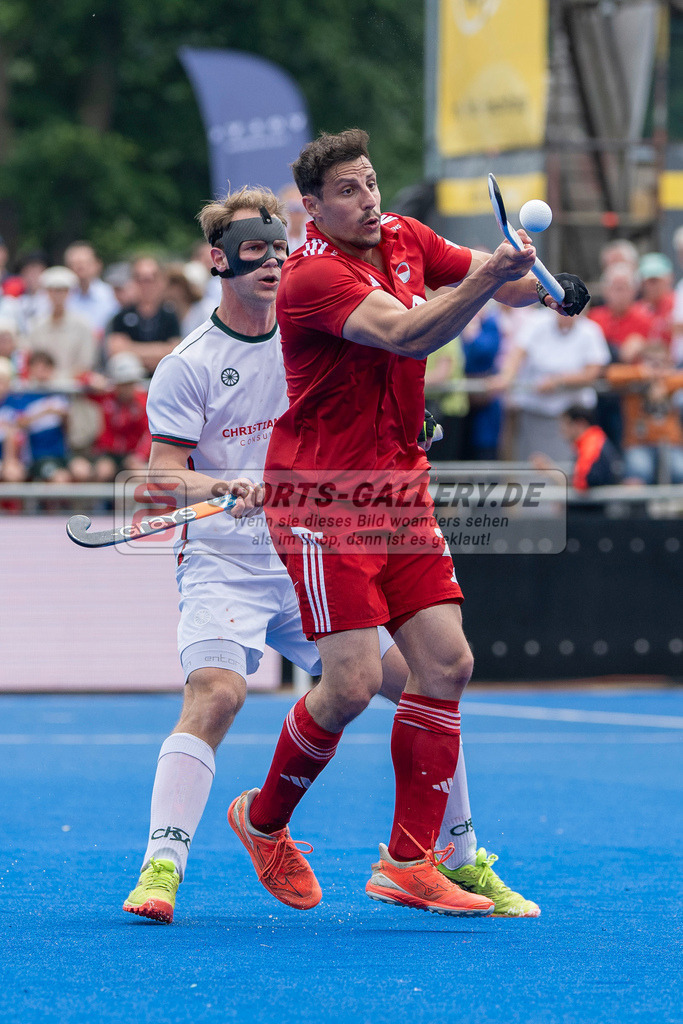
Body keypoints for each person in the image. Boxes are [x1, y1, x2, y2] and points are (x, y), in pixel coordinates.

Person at [122, 185, 541, 924]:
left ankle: (459, 856)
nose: (271, 263)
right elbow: (160, 473)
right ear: (217, 261)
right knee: (216, 693)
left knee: (427, 679)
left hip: (318, 544)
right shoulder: (190, 361)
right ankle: (163, 865)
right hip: (230, 563)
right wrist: (227, 486)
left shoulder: (320, 323)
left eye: (279, 248)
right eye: (252, 251)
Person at [228, 129, 588, 917]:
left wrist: (546, 287)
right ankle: (262, 822)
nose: (368, 199)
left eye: (371, 182)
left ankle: (407, 861)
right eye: (347, 191)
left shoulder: (404, 236)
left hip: (400, 488)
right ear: (312, 208)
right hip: (324, 496)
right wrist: (492, 275)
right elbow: (406, 332)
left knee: (446, 666)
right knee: (352, 684)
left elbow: (495, 284)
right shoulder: (312, 276)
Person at [489, 307, 611, 463]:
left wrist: (558, 381)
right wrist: (505, 378)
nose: (567, 311)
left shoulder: (591, 330)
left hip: (573, 420)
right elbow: (517, 355)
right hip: (534, 415)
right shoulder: (536, 322)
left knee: (569, 470)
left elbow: (593, 372)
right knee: (530, 468)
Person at [107, 257, 181, 375]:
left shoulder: (170, 315)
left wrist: (131, 349)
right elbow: (116, 350)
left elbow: (175, 352)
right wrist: (159, 351)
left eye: (151, 279)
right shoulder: (121, 316)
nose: (146, 285)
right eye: (140, 279)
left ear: (160, 281)